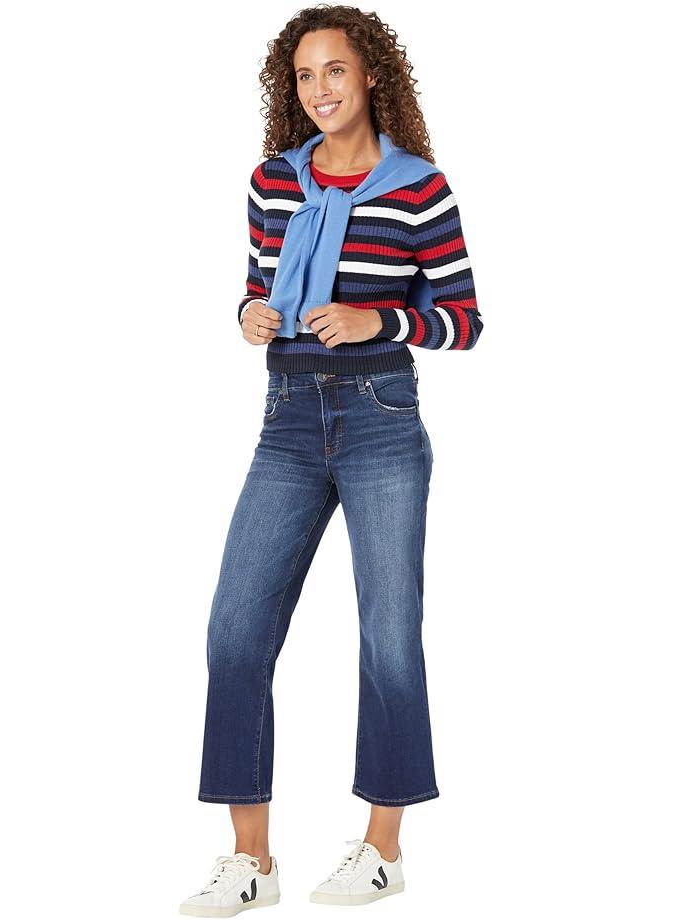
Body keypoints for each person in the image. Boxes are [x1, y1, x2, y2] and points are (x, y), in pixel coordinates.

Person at [180, 6, 482, 916]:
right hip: (286, 419)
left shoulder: (419, 189)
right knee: (235, 631)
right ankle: (252, 861)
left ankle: (383, 849)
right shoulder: (273, 181)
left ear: (372, 75)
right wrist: (247, 316)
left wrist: (376, 318)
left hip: (381, 414)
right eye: (306, 76)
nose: (321, 90)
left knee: (389, 636)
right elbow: (254, 283)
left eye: (336, 71)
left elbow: (464, 320)